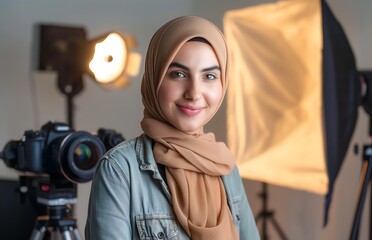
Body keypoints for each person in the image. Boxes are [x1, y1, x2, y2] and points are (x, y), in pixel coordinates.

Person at [85, 16, 260, 240]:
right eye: (178, 74)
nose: (194, 93)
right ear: (155, 78)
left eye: (209, 76)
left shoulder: (225, 167)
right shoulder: (120, 170)